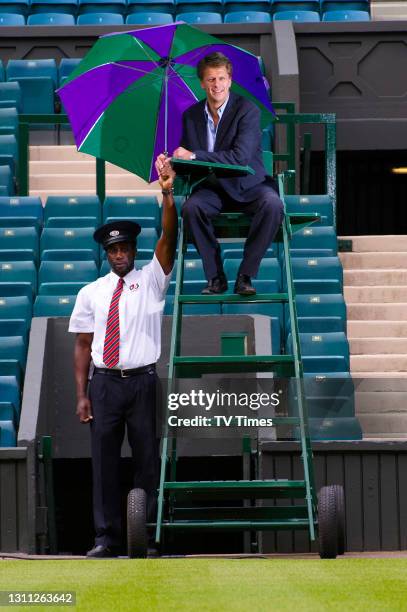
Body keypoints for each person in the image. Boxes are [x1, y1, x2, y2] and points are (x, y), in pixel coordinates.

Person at [68, 156, 177, 558]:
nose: (120, 254)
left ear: (133, 249)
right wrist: (83, 395)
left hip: (144, 381)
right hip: (105, 384)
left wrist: (167, 194)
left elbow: (170, 237)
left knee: (147, 461)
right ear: (106, 252)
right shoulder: (91, 293)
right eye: (113, 249)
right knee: (104, 465)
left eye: (125, 247)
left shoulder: (151, 279)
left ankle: (144, 538)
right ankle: (106, 538)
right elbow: (81, 345)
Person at [173, 51, 284, 296]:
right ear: (202, 83)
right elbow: (187, 162)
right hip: (212, 187)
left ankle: (245, 275)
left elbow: (239, 158)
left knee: (273, 204)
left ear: (230, 80)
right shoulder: (191, 116)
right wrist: (172, 162)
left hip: (249, 185)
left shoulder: (247, 110)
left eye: (222, 78)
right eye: (211, 79)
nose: (217, 85)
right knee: (192, 208)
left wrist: (193, 155)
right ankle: (215, 276)